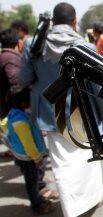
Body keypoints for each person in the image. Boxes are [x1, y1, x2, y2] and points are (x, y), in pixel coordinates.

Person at [18, 3, 103, 217]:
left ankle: (72, 208)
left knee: (62, 166)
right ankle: (91, 199)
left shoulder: (34, 45)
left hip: (51, 117)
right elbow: (97, 87)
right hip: (83, 117)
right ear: (74, 21)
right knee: (87, 160)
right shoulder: (83, 46)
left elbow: (23, 79)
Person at [5, 85, 54, 215]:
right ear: (23, 102)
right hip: (29, 158)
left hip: (22, 156)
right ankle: (37, 204)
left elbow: (5, 127)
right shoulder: (21, 122)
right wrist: (37, 158)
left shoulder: (14, 113)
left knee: (32, 179)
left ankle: (37, 195)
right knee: (32, 182)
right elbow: (28, 143)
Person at [0, 28, 21, 158]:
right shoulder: (9, 58)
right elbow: (15, 81)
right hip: (12, 108)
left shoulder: (5, 56)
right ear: (17, 42)